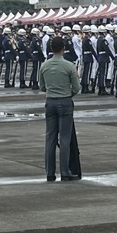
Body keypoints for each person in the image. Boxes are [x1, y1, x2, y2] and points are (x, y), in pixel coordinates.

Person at [39, 36, 81, 182]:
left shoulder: (44, 66)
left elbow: (42, 86)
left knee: (50, 138)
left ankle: (50, 172)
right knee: (64, 138)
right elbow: (76, 87)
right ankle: (65, 171)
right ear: (63, 48)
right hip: (65, 101)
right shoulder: (69, 66)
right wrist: (67, 94)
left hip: (50, 101)